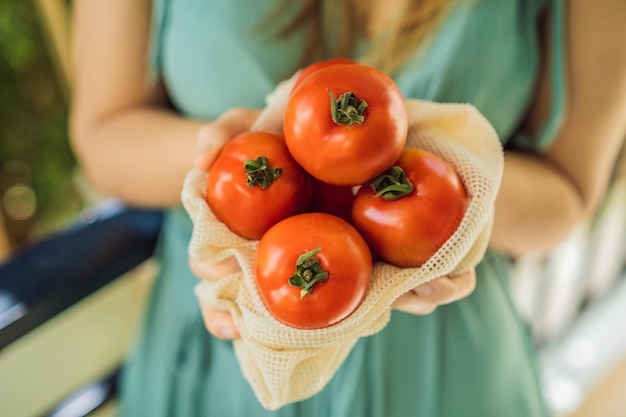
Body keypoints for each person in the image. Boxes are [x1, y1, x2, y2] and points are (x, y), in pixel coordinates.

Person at [69, 0, 626, 416]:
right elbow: (103, 134)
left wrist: (456, 213)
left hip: (444, 363)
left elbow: (569, 189)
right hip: (221, 349)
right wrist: (226, 160)